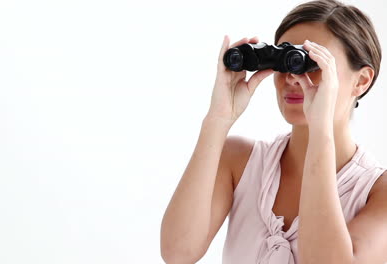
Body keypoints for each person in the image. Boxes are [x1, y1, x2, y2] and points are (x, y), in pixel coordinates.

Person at [160, 0, 387, 263]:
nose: (292, 78)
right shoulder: (238, 161)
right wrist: (218, 118)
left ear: (361, 81)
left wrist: (320, 131)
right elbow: (177, 252)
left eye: (312, 64)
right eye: (286, 62)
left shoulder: (377, 192)